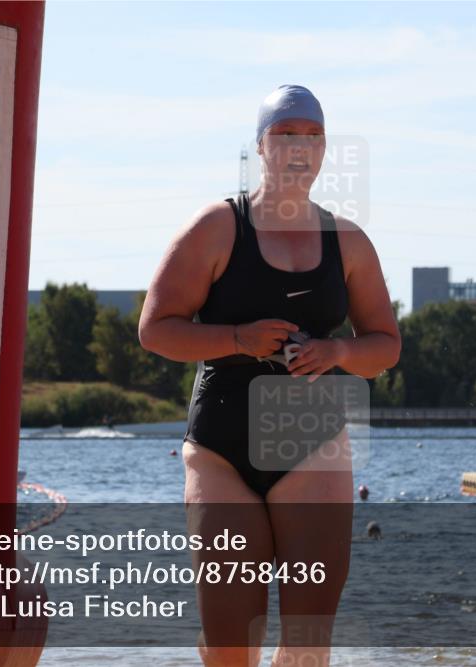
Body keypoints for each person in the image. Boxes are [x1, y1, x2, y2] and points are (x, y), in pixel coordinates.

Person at [139, 84, 401, 667]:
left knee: (307, 648)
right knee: (231, 649)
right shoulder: (217, 227)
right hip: (221, 451)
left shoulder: (348, 241)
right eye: (286, 136)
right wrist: (236, 339)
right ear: (261, 145)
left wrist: (335, 354)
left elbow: (385, 347)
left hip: (312, 447)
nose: (300, 149)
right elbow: (155, 329)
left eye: (313, 137)